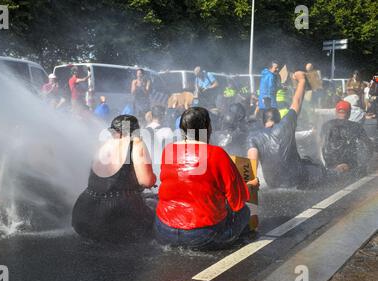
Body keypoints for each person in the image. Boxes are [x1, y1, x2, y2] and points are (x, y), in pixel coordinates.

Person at [155, 107, 253, 250]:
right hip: (201, 235)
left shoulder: (168, 150)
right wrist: (249, 183)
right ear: (207, 128)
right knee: (244, 211)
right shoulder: (217, 154)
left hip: (164, 230)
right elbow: (238, 201)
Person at [72, 115, 156, 243]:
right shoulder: (136, 143)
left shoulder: (102, 145)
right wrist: (153, 178)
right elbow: (146, 180)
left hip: (83, 213)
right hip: (115, 215)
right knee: (154, 209)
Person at [247, 71, 325, 189]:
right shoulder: (285, 124)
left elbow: (251, 164)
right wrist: (302, 81)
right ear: (278, 119)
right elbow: (297, 102)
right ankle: (338, 174)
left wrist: (247, 191)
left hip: (272, 183)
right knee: (317, 168)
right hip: (296, 180)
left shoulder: (253, 137)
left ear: (263, 122)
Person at [320, 101, 374, 178]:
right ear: (349, 113)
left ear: (336, 112)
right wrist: (365, 164)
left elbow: (320, 144)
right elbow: (367, 145)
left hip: (330, 164)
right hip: (350, 164)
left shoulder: (326, 125)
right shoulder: (356, 126)